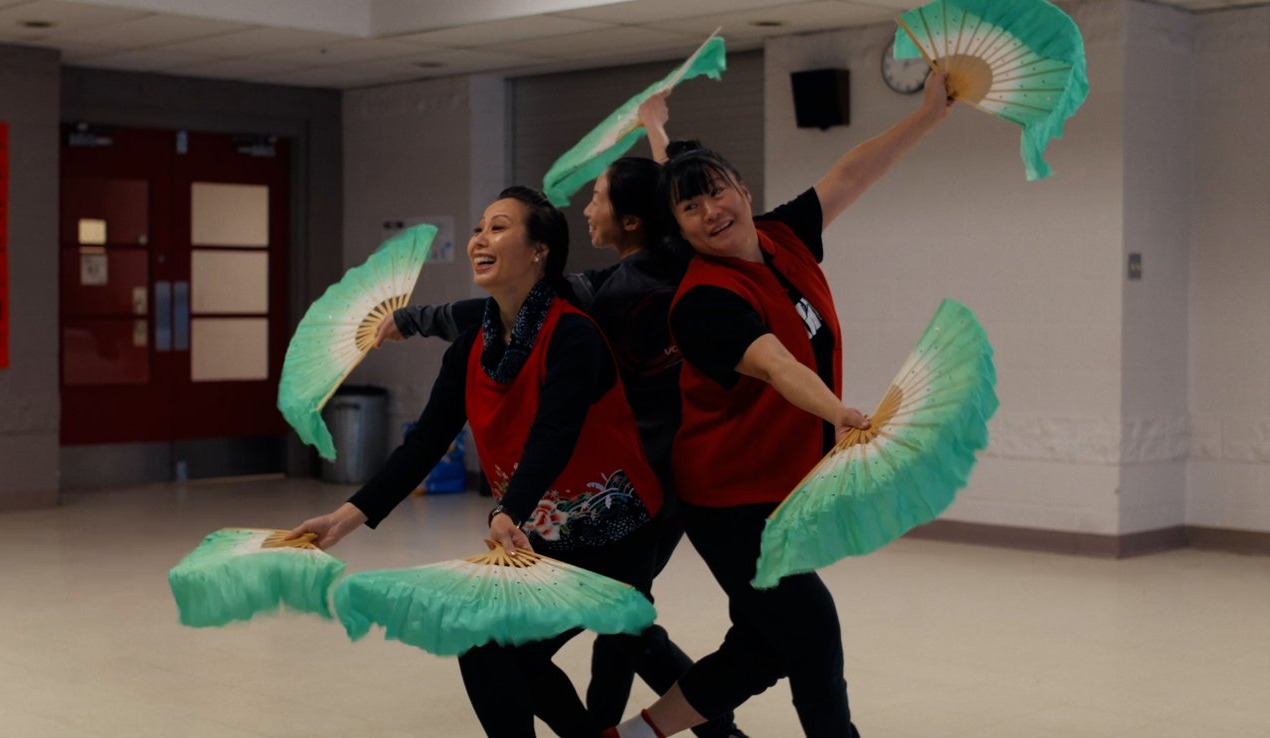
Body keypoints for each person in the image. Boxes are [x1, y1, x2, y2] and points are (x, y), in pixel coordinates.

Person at [376, 98, 749, 738]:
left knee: (621, 626)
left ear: (629, 221)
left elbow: (492, 310)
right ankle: (700, 725)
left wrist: (412, 321)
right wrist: (658, 132)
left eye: (598, 197)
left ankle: (688, 725)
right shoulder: (682, 266)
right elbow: (683, 184)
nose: (588, 206)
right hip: (666, 481)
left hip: (632, 491)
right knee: (625, 623)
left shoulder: (605, 292)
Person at [604, 71, 955, 738]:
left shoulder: (784, 237)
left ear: (743, 188)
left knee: (765, 646)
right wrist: (838, 412)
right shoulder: (704, 299)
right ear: (677, 229)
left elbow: (851, 174)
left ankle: (632, 736)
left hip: (784, 489)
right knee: (812, 633)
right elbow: (776, 364)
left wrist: (930, 115)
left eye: (717, 193)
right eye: (689, 210)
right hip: (731, 502)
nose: (710, 211)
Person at [288, 186, 664, 738]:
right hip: (538, 535)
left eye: (499, 227)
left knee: (493, 647)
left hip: (613, 535)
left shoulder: (573, 335)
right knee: (503, 653)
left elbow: (552, 436)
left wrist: (505, 510)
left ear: (539, 250)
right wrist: (344, 519)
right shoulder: (470, 346)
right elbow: (424, 444)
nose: (479, 240)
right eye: (478, 228)